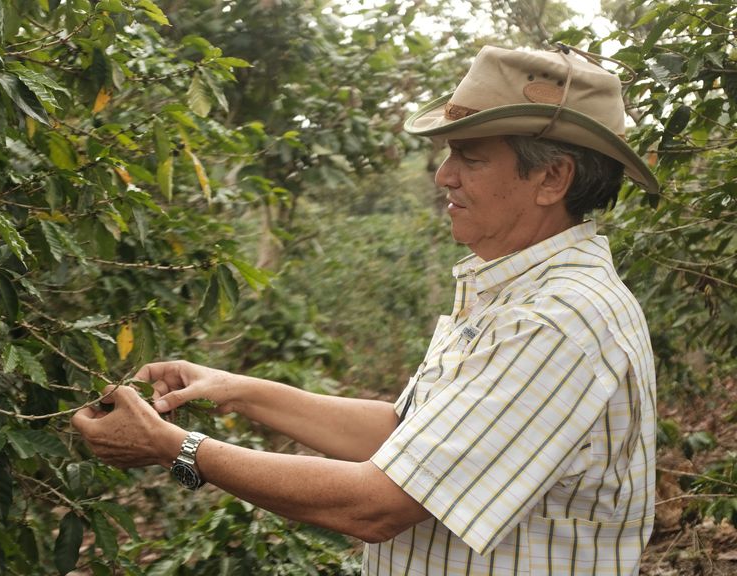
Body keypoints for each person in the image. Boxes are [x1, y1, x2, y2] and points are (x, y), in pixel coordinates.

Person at [72, 44, 658, 575]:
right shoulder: (516, 295)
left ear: (552, 177)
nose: (444, 174)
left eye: (471, 158)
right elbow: (403, 436)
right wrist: (235, 388)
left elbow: (376, 504)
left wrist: (177, 448)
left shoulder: (557, 318)